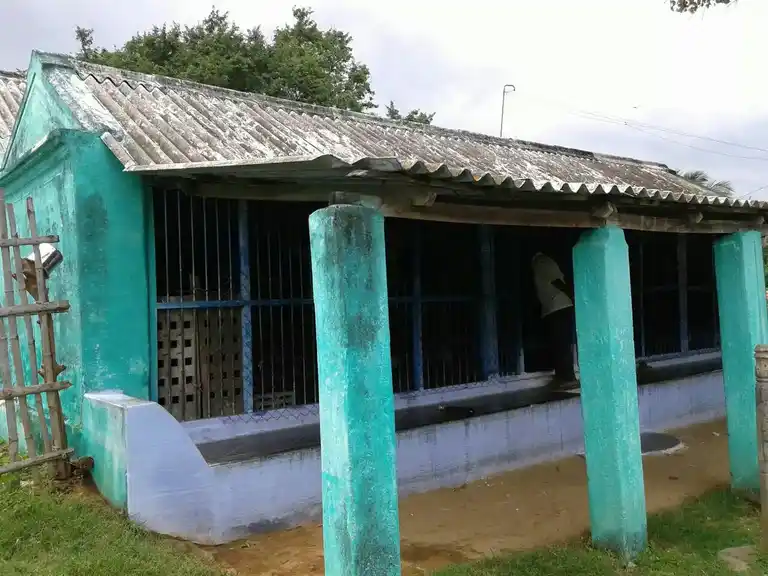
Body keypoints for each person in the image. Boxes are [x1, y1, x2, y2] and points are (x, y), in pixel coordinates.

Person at [531, 252, 578, 390]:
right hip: (555, 307)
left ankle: (567, 378)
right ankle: (564, 377)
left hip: (557, 306)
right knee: (560, 343)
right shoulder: (540, 262)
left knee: (561, 343)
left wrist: (571, 296)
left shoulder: (542, 261)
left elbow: (557, 281)